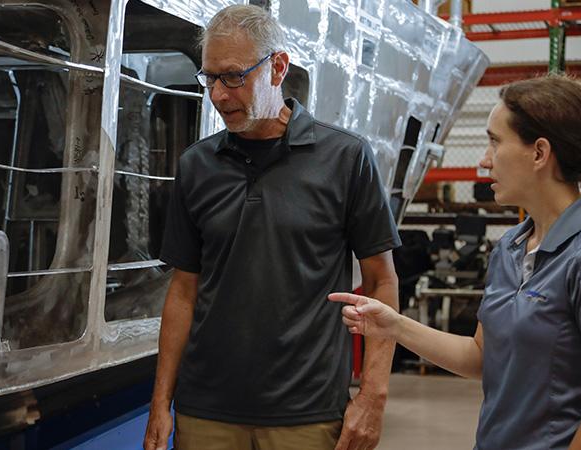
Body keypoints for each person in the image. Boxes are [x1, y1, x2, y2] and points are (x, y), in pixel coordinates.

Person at [330, 75, 581, 450]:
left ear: (539, 153)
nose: (484, 160)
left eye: (495, 142)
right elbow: (479, 357)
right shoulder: (510, 247)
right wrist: (394, 325)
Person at [143, 5, 401, 450]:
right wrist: (160, 401)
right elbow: (184, 290)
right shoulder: (196, 166)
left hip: (307, 414)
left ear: (278, 67)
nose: (219, 95)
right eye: (209, 78)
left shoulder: (345, 158)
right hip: (205, 413)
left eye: (233, 76)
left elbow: (382, 282)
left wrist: (373, 397)